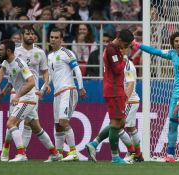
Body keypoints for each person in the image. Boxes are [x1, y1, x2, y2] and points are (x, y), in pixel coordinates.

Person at [132, 31, 179, 162]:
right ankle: (170, 155)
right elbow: (155, 51)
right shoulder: (172, 54)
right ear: (173, 44)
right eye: (176, 41)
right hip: (175, 94)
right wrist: (137, 45)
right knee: (172, 124)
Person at [0, 26, 60, 162]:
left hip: (30, 93)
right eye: (27, 33)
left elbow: (43, 72)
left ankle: (21, 153)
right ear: (22, 36)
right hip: (17, 91)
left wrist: (46, 84)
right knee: (35, 127)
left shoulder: (39, 53)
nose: (30, 36)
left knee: (13, 122)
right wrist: (1, 92)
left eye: (32, 34)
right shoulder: (14, 53)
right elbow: (6, 71)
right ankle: (55, 153)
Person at [85, 29, 134, 164]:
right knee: (116, 123)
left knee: (120, 123)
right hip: (113, 90)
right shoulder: (112, 50)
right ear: (120, 39)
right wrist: (125, 57)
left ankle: (94, 144)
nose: (127, 47)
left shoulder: (115, 48)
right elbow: (118, 69)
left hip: (116, 89)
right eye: (126, 44)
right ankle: (115, 157)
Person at [41, 28, 86, 161]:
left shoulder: (67, 53)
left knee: (63, 121)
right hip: (57, 94)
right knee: (58, 126)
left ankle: (73, 152)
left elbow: (77, 70)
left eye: (56, 37)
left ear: (61, 39)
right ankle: (58, 154)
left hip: (68, 90)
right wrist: (42, 89)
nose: (53, 40)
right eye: (51, 37)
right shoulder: (49, 56)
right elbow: (48, 76)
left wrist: (81, 87)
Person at [121, 55, 144, 162]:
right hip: (126, 100)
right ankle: (138, 154)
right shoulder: (116, 62)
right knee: (130, 129)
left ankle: (133, 152)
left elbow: (130, 83)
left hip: (129, 101)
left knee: (118, 127)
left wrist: (125, 100)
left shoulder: (128, 65)